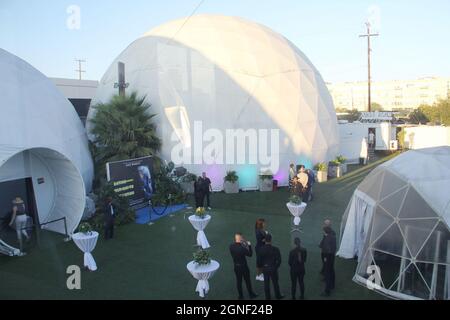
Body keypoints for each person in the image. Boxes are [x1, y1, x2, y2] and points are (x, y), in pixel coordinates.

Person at [229, 233, 258, 300]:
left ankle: (241, 296)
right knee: (247, 281)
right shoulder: (242, 248)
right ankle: (251, 294)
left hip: (236, 266)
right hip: (244, 267)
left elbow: (238, 247)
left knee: (239, 281)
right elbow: (250, 254)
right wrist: (249, 245)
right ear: (240, 239)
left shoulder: (231, 246)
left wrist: (242, 244)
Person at [257, 234, 284, 300]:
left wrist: (261, 268)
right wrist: (275, 267)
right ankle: (278, 296)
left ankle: (267, 297)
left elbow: (259, 261)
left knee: (266, 284)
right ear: (271, 240)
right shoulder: (275, 249)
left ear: (264, 240)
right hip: (273, 268)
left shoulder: (260, 250)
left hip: (265, 268)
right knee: (275, 283)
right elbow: (279, 260)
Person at [319, 225, 337, 297]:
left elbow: (326, 249)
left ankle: (327, 291)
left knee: (327, 273)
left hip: (328, 257)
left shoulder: (327, 239)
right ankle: (332, 285)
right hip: (332, 256)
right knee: (332, 270)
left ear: (325, 232)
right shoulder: (333, 237)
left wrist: (325, 258)